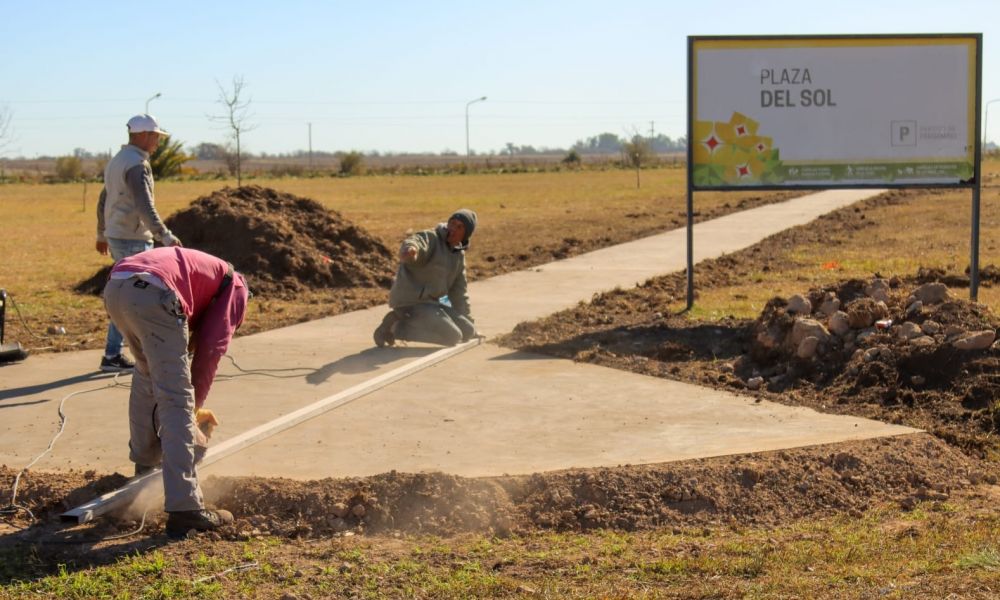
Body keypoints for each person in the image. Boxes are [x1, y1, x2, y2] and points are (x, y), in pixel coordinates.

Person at [103, 246, 248, 538]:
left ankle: (145, 465)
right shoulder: (236, 287)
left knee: (146, 377)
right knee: (177, 397)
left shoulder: (206, 272)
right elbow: (210, 350)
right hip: (156, 294)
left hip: (118, 286)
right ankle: (185, 508)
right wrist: (193, 412)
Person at [95, 114, 182, 373]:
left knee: (126, 297)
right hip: (132, 239)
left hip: (118, 234)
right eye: (155, 137)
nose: (157, 142)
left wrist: (102, 233)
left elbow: (103, 200)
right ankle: (119, 354)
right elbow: (144, 206)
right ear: (142, 136)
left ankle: (114, 354)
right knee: (135, 300)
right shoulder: (136, 165)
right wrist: (164, 235)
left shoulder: (117, 161)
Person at [373, 209, 479, 347]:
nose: (453, 229)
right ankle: (396, 326)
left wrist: (469, 321)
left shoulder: (458, 255)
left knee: (468, 331)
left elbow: (459, 293)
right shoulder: (432, 238)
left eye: (460, 227)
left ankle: (409, 321)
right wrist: (411, 250)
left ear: (466, 234)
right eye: (452, 223)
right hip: (411, 301)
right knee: (453, 337)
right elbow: (416, 241)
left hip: (432, 304)